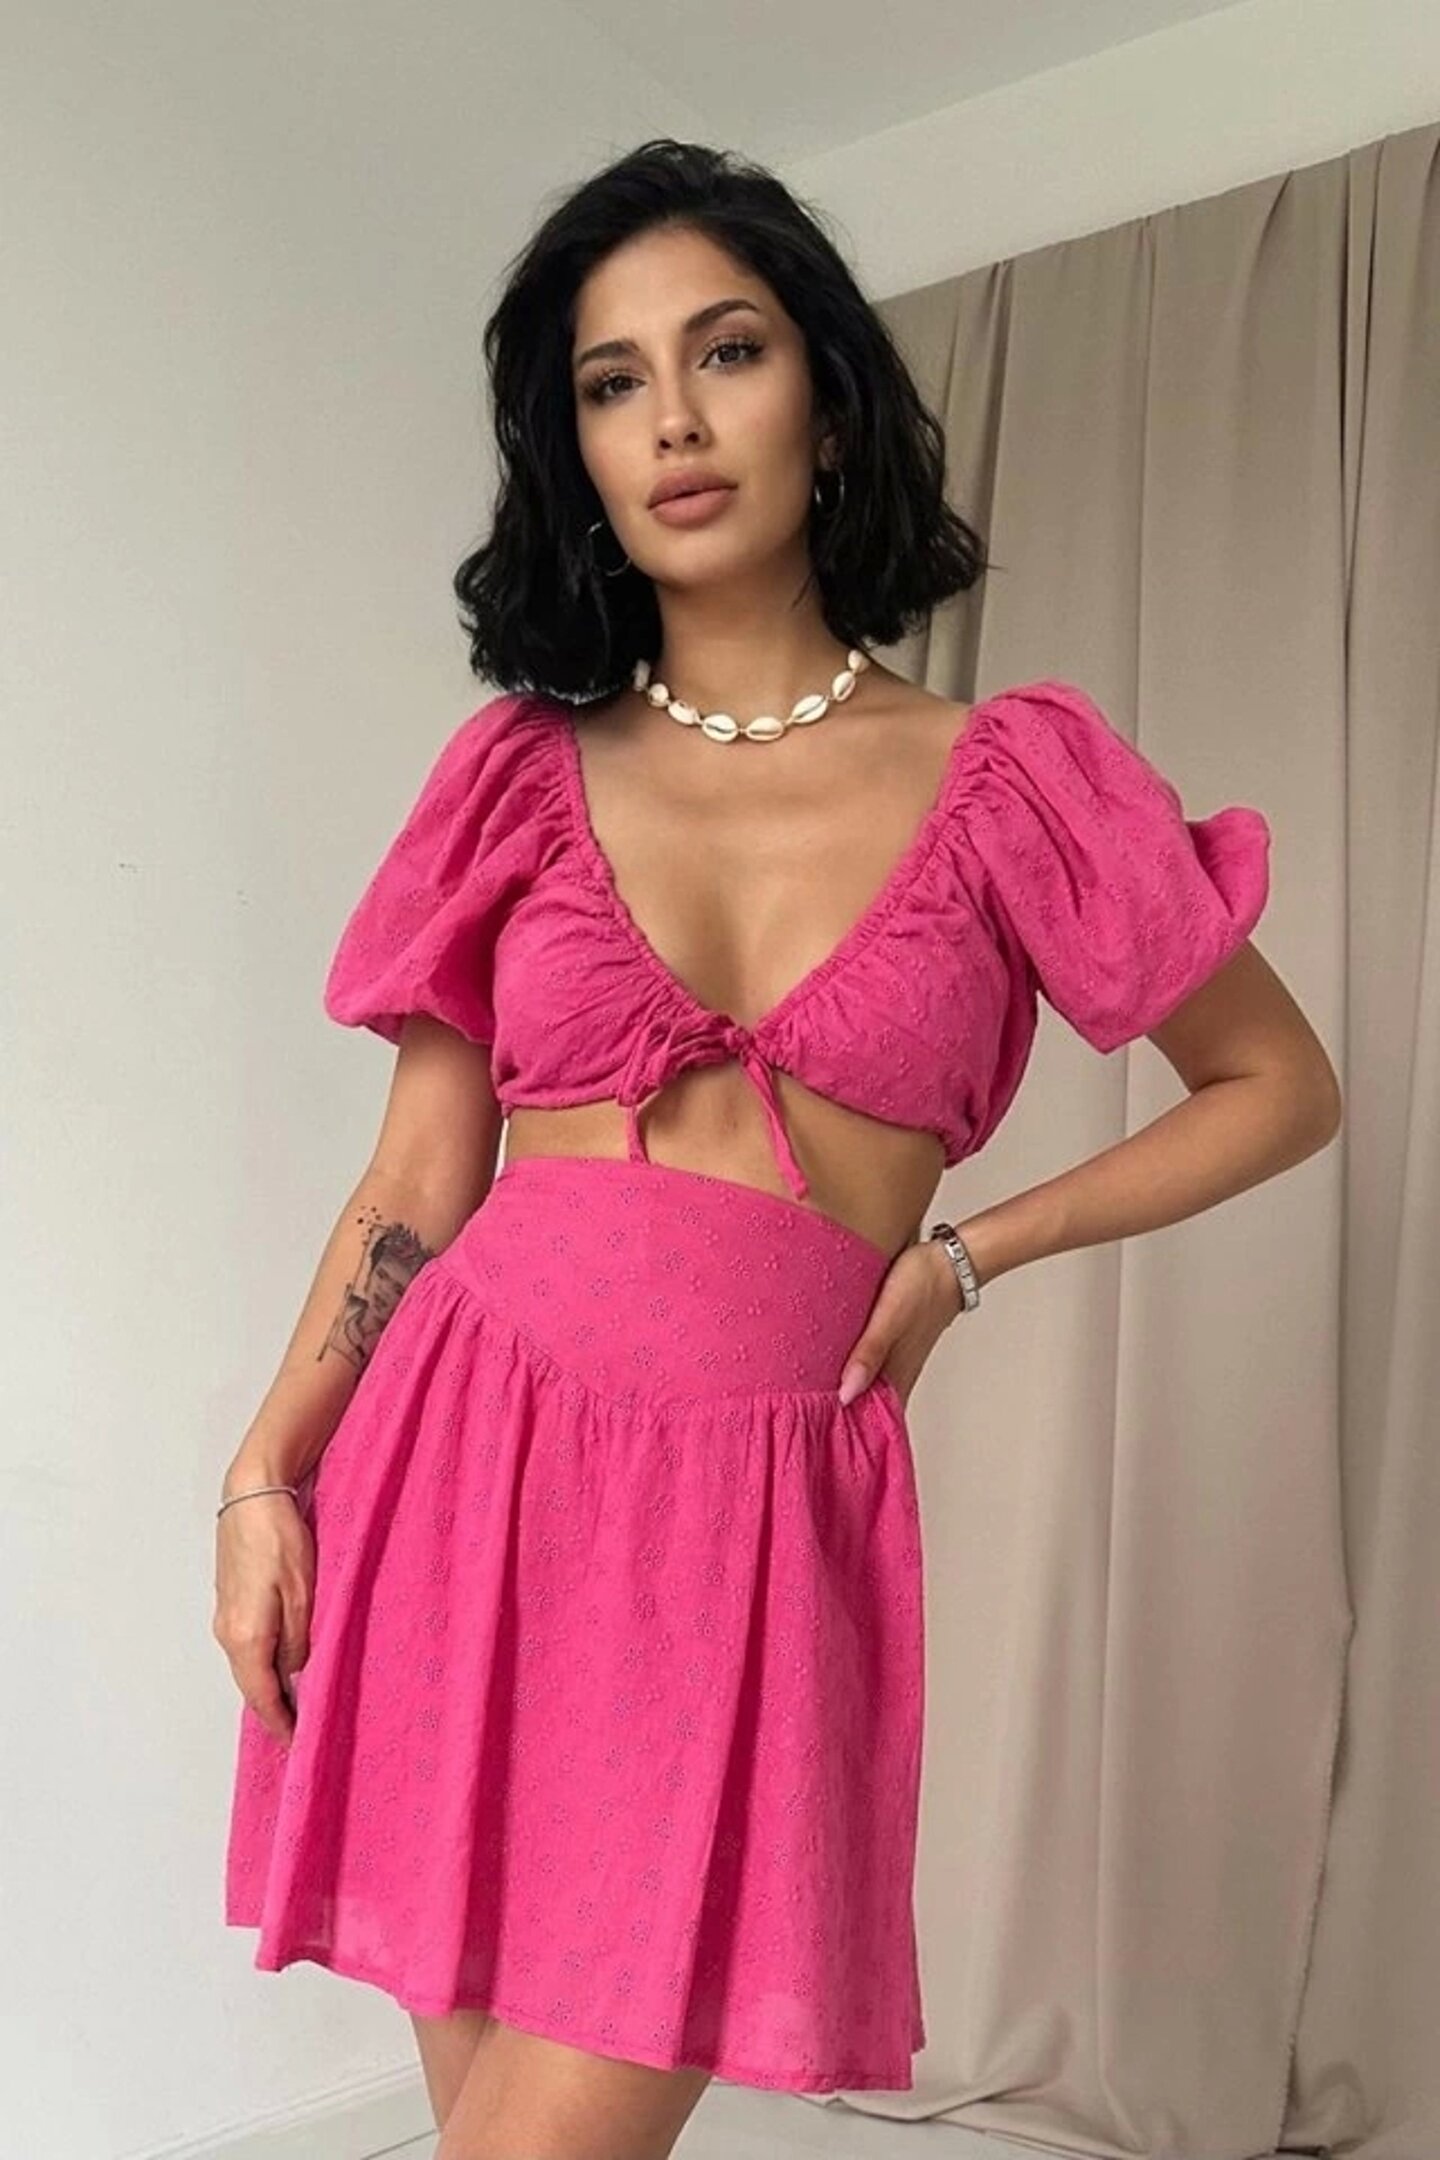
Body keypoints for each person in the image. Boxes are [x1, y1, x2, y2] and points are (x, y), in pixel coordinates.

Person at [213, 138, 1339, 2160]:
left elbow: (1277, 1084)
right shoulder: (515, 774)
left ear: (825, 399)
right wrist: (263, 1472)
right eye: (612, 380)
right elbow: (415, 1186)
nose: (672, 417)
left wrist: (966, 1258)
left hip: (747, 1523)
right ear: (575, 453)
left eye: (723, 351)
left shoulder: (1011, 783)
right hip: (455, 1477)